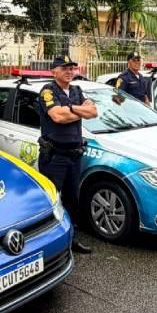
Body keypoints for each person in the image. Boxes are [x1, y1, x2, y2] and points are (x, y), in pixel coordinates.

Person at [38, 55, 99, 254]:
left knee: (73, 200)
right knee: (53, 200)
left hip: (74, 156)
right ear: (54, 71)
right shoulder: (48, 91)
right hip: (55, 156)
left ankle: (71, 240)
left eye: (72, 68)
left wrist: (70, 108)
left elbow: (94, 112)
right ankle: (50, 244)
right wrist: (79, 110)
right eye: (64, 68)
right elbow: (57, 116)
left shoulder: (76, 90)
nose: (69, 71)